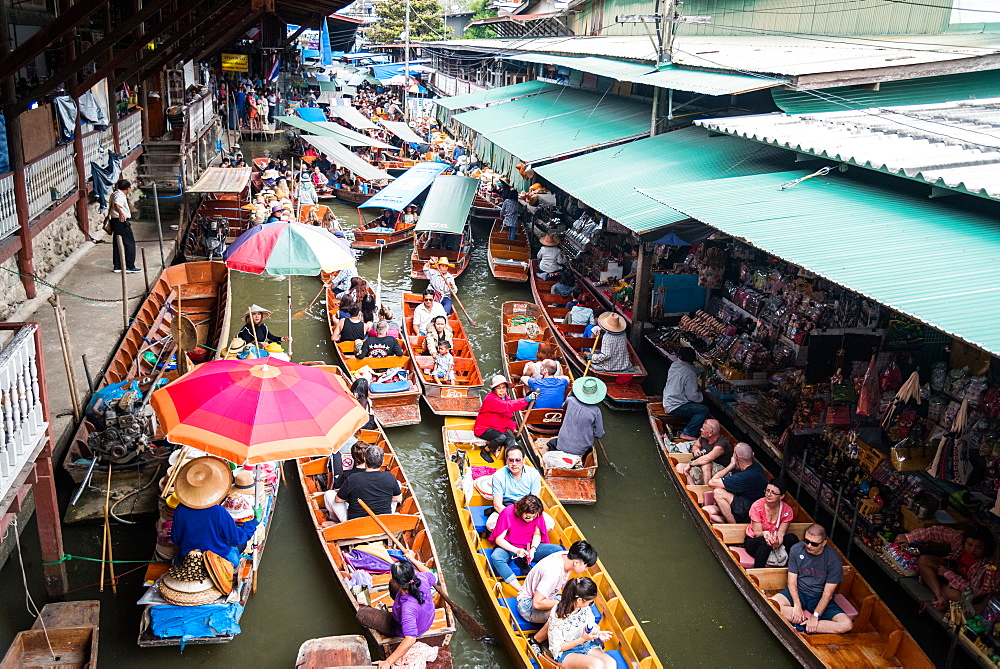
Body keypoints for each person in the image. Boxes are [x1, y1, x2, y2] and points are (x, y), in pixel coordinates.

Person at [171, 456, 260, 566]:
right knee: (241, 543)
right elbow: (236, 539)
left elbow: (175, 539)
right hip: (216, 559)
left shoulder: (180, 508)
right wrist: (254, 522)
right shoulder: (218, 511)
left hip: (188, 557)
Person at [357, 549, 439, 668]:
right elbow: (432, 575)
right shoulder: (421, 578)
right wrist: (413, 559)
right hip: (427, 619)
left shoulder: (408, 610)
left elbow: (410, 639)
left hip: (405, 627)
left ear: (399, 581)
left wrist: (387, 662)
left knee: (362, 614)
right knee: (392, 585)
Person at [771, 524, 853, 634]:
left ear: (823, 543)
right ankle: (806, 624)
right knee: (771, 604)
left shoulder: (833, 559)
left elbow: (827, 594)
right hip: (799, 592)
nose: (809, 546)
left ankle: (801, 626)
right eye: (806, 541)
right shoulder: (796, 549)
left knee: (846, 624)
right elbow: (791, 582)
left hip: (819, 598)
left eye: (814, 544)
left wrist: (815, 616)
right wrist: (797, 606)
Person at [894, 525, 998, 610]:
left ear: (985, 548)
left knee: (955, 596)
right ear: (964, 541)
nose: (972, 550)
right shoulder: (959, 538)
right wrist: (909, 537)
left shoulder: (988, 566)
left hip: (964, 587)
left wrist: (948, 575)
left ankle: (936, 586)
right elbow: (936, 532)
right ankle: (940, 596)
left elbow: (971, 591)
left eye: (978, 547)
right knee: (924, 560)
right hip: (952, 570)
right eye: (969, 544)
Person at [519, 540, 599, 644]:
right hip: (527, 605)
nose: (586, 569)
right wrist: (566, 603)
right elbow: (536, 603)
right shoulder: (553, 574)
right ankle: (536, 641)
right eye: (586, 565)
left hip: (547, 597)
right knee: (567, 612)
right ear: (576, 562)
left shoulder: (566, 556)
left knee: (579, 606)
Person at [489, 494, 564, 587]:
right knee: (496, 557)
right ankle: (520, 589)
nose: (531, 519)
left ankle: (549, 581)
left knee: (558, 551)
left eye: (534, 517)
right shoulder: (507, 513)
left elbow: (537, 534)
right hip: (509, 546)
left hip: (528, 545)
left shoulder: (537, 513)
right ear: (521, 511)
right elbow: (499, 539)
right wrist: (516, 550)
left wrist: (533, 549)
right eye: (528, 517)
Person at [546, 577, 616, 668]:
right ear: (579, 600)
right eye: (590, 602)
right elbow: (557, 647)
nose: (591, 605)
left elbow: (590, 626)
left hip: (586, 645)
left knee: (610, 662)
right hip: (566, 651)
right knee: (596, 665)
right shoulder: (558, 614)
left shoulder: (584, 608)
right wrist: (582, 639)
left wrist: (598, 633)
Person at [543, 377, 606, 471]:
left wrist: (573, 391)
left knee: (551, 443)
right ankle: (577, 460)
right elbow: (599, 434)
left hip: (562, 444)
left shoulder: (570, 401)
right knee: (588, 448)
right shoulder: (596, 411)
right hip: (582, 448)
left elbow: (563, 406)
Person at [333, 444, 402, 521]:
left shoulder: (353, 478)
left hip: (356, 524)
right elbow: (398, 499)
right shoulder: (390, 476)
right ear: (382, 461)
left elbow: (338, 500)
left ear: (365, 459)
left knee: (329, 494)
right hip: (383, 521)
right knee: (398, 483)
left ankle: (336, 521)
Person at [474, 375, 533, 462]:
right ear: (494, 389)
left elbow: (507, 415)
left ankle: (509, 461)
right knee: (501, 438)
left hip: (498, 428)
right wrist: (526, 400)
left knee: (511, 441)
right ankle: (486, 451)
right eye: (498, 388)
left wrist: (513, 428)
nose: (502, 390)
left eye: (503, 388)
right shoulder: (491, 399)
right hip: (484, 428)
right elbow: (508, 406)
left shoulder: (505, 398)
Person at [704, 442, 767, 524]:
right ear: (753, 454)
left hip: (748, 510)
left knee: (718, 492)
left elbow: (712, 482)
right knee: (707, 511)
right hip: (747, 503)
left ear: (735, 457)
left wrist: (731, 465)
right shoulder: (756, 466)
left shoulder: (744, 476)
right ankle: (726, 521)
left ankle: (733, 525)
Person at [744, 479, 798, 569]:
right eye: (767, 491)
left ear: (781, 496)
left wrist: (777, 542)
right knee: (766, 542)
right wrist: (765, 534)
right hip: (755, 541)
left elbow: (781, 534)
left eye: (773, 493)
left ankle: (789, 569)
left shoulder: (787, 510)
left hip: (774, 540)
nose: (769, 494)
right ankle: (758, 571)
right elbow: (757, 533)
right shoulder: (757, 506)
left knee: (792, 538)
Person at [662, 347, 709, 441]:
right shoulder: (690, 374)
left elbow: (691, 368)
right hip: (676, 405)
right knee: (703, 410)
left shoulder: (675, 365)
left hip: (669, 400)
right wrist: (701, 394)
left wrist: (702, 369)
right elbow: (693, 396)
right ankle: (687, 433)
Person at [675, 419, 731, 485]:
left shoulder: (721, 444)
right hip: (701, 466)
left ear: (710, 433)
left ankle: (706, 489)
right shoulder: (703, 437)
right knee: (679, 466)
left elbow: (707, 458)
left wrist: (691, 464)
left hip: (720, 472)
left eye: (703, 429)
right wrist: (696, 450)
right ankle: (694, 490)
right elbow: (696, 445)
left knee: (706, 464)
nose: (701, 429)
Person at [110, 179, 140, 273]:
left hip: (115, 221)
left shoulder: (115, 193)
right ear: (128, 189)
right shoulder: (120, 195)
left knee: (117, 243)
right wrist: (121, 213)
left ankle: (118, 265)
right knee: (129, 243)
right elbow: (116, 205)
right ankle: (130, 266)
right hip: (121, 221)